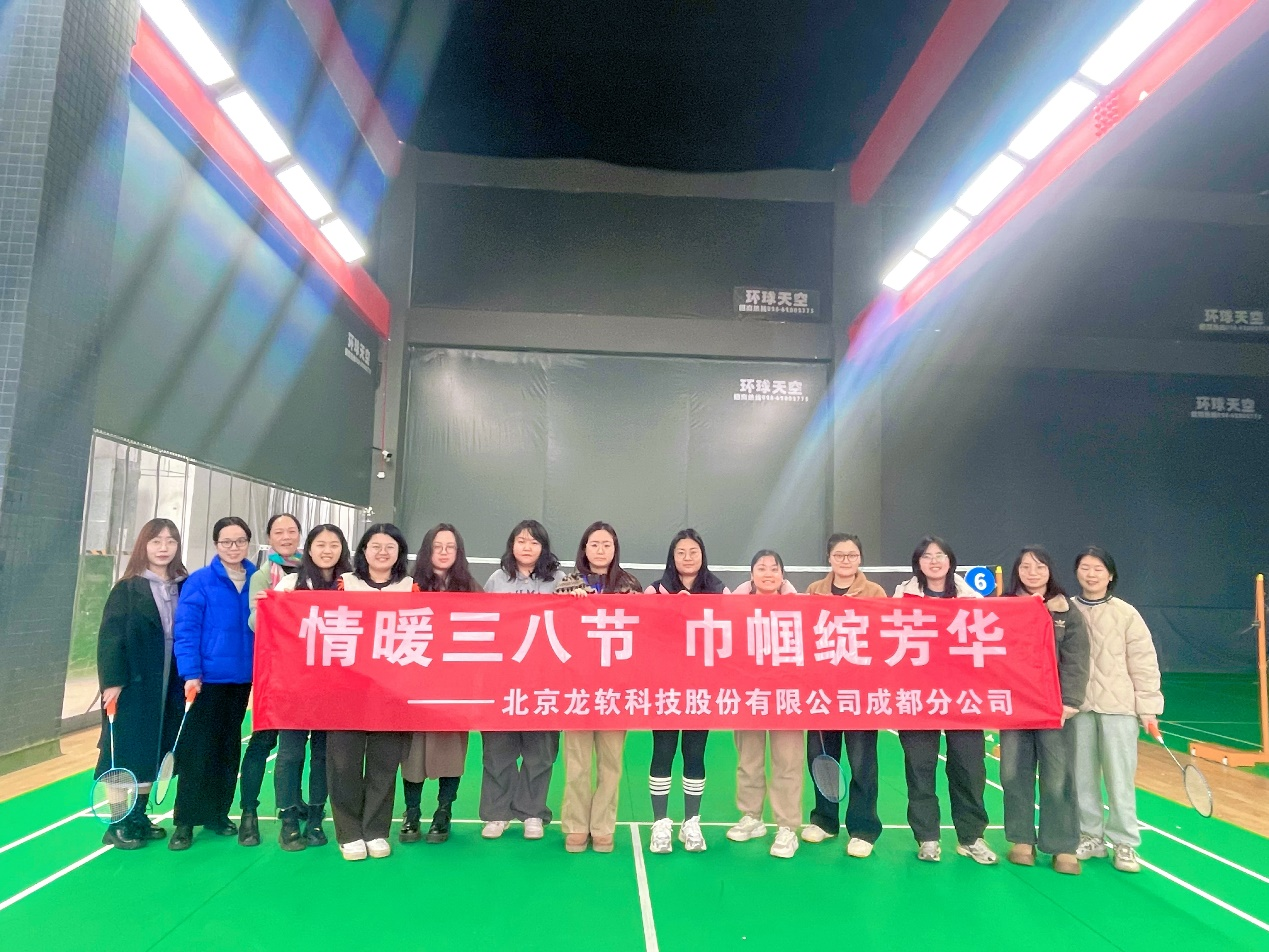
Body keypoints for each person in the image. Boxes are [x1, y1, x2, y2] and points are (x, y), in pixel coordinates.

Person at [892, 535, 996, 865]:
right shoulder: (902, 597)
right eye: (926, 556)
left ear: (950, 561)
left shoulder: (973, 600)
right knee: (919, 769)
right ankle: (927, 838)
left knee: (969, 769)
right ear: (918, 563)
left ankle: (971, 837)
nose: (934, 561)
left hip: (963, 699)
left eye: (940, 555)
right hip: (918, 699)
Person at [94, 518, 189, 849]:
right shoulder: (127, 589)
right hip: (133, 686)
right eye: (156, 541)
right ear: (143, 546)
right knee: (122, 753)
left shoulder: (183, 586)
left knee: (155, 751)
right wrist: (112, 683)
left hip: (170, 687)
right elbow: (110, 639)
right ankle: (117, 822)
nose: (164, 548)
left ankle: (137, 815)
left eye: (170, 541)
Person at [1070, 545, 1163, 874]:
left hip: (1119, 709)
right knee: (1082, 777)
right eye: (1085, 567)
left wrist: (1148, 708)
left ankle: (1125, 843)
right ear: (1077, 572)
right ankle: (1090, 836)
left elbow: (1144, 662)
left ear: (1110, 575)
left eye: (1098, 568)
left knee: (1120, 780)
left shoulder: (1126, 614)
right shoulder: (1066, 609)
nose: (1091, 574)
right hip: (1077, 709)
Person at [328, 524, 417, 861]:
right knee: (344, 763)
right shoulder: (344, 584)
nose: (382, 552)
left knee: (384, 763)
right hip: (346, 690)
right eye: (375, 545)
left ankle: (376, 830)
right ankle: (349, 832)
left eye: (390, 546)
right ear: (363, 551)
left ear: (399, 553)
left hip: (391, 692)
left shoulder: (411, 588)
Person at [999, 546, 1089, 875]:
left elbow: (1076, 660)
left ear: (1050, 571)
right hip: (1015, 708)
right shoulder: (1003, 608)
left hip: (1055, 709)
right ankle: (1021, 840)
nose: (1032, 572)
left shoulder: (1067, 611)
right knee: (1012, 773)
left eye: (1039, 566)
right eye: (1025, 566)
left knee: (1058, 777)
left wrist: (1070, 701)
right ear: (1017, 571)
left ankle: (1063, 845)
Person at [169, 517, 257, 851]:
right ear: (216, 545)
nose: (234, 547)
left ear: (248, 543)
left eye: (240, 541)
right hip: (206, 681)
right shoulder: (200, 581)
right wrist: (191, 673)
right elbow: (186, 629)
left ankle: (218, 814)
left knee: (228, 748)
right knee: (197, 751)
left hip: (242, 680)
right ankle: (185, 821)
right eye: (226, 542)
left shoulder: (258, 580)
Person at [480, 519, 566, 841]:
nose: (527, 547)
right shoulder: (497, 579)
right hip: (503, 679)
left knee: (540, 751)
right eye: (521, 541)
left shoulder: (559, 580)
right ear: (511, 545)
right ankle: (497, 813)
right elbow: (483, 624)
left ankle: (532, 812)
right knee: (497, 749)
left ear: (543, 547)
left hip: (545, 680)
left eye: (534, 542)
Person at [801, 533, 887, 857]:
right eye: (839, 555)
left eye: (852, 555)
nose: (846, 560)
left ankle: (863, 828)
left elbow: (883, 639)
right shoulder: (814, 591)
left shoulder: (875, 593)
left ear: (860, 558)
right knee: (821, 756)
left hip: (860, 694)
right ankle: (824, 821)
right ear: (829, 558)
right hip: (822, 693)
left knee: (863, 762)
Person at [643, 529, 728, 855]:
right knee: (663, 752)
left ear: (702, 555)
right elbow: (643, 632)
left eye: (693, 551)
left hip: (700, 688)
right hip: (664, 687)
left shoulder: (718, 590)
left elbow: (731, 632)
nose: (688, 557)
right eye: (681, 552)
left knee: (695, 754)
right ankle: (660, 824)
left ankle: (691, 822)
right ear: (672, 556)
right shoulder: (655, 590)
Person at [558, 522, 641, 854]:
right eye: (594, 544)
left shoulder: (629, 585)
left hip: (615, 690)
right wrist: (570, 604)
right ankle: (576, 825)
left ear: (615, 549)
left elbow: (645, 628)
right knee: (577, 764)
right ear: (584, 548)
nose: (601, 550)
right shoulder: (567, 583)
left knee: (611, 763)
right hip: (576, 688)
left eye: (607, 544)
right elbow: (551, 629)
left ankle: (603, 826)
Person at [267, 523, 350, 851]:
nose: (327, 550)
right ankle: (288, 819)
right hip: (294, 686)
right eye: (321, 544)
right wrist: (266, 607)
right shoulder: (291, 585)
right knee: (290, 754)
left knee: (323, 755)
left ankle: (315, 817)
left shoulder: (352, 586)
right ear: (310, 549)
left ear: (342, 549)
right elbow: (270, 629)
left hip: (336, 688)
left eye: (334, 544)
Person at [400, 523, 483, 846]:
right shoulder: (408, 586)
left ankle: (443, 811)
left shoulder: (471, 588)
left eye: (451, 546)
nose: (444, 552)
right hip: (414, 684)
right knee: (413, 753)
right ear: (427, 550)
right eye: (438, 546)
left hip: (455, 686)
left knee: (451, 751)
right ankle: (411, 812)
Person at [726, 550, 803, 859]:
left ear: (782, 575)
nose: (768, 573)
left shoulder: (800, 609)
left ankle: (787, 827)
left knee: (787, 761)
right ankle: (751, 817)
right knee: (749, 760)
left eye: (774, 569)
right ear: (751, 575)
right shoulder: (734, 610)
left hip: (786, 698)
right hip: (749, 696)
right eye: (761, 568)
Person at [237, 512, 302, 847]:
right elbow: (252, 622)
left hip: (305, 673)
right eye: (279, 532)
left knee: (296, 744)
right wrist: (267, 608)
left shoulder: (311, 572)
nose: (286, 536)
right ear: (269, 538)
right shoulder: (262, 576)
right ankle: (249, 811)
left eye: (292, 531)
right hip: (274, 673)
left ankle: (296, 801)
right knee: (263, 741)